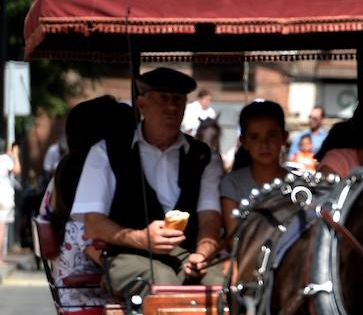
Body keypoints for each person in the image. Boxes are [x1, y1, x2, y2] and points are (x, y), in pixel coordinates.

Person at [71, 68, 226, 300]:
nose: (172, 107)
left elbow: (209, 220)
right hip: (126, 255)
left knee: (221, 284)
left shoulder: (204, 157)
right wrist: (141, 238)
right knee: (163, 282)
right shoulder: (106, 152)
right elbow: (93, 224)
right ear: (142, 105)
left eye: (178, 100)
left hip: (186, 254)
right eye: (163, 99)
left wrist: (202, 255)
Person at [38, 96, 137, 306]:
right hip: (90, 291)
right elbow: (92, 245)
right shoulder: (89, 174)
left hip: (66, 288)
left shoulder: (64, 170)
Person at [220, 100, 290, 238]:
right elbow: (235, 239)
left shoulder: (298, 186)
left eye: (271, 135)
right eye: (255, 137)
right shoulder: (232, 184)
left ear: (284, 137)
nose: (264, 144)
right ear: (243, 142)